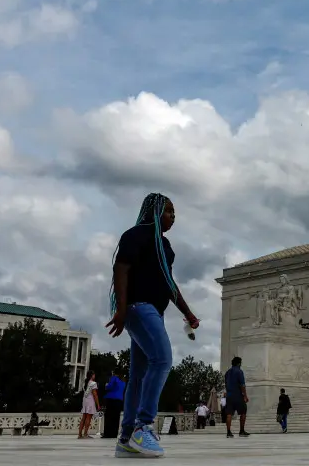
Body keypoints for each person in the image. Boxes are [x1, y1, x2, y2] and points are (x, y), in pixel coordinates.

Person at [107, 193, 200, 459]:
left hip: (154, 313)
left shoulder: (165, 246)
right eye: (169, 211)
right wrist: (121, 309)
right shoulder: (136, 235)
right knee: (162, 359)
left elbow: (169, 285)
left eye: (175, 213)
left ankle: (126, 439)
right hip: (139, 307)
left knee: (137, 376)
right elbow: (121, 268)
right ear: (155, 211)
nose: (173, 217)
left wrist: (189, 313)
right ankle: (143, 426)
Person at [223, 356, 249, 438]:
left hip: (229, 395)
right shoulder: (239, 371)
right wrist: (245, 395)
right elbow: (242, 385)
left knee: (229, 414)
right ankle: (241, 431)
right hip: (237, 395)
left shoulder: (227, 372)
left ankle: (228, 432)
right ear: (239, 363)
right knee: (243, 412)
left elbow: (226, 384)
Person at [102, 369, 127, 439]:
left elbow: (109, 387)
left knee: (109, 417)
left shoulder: (114, 378)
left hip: (111, 399)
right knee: (116, 418)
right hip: (119, 400)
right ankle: (114, 433)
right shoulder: (123, 381)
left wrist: (106, 385)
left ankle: (107, 433)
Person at [78, 370, 100, 439]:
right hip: (90, 400)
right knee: (88, 417)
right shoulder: (93, 383)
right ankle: (85, 434)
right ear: (92, 375)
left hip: (85, 400)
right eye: (94, 375)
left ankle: (79, 434)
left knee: (83, 417)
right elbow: (95, 394)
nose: (94, 376)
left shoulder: (85, 383)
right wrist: (98, 404)